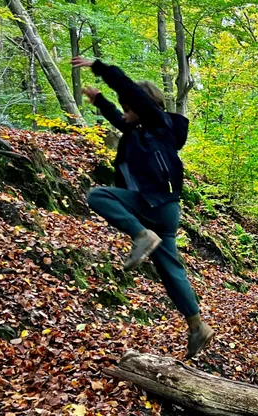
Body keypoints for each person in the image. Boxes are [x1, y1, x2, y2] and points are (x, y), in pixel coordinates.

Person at [71, 56, 215, 359]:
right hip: (165, 209)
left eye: (129, 107)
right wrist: (99, 100)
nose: (125, 112)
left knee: (97, 195)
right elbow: (118, 118)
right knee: (170, 270)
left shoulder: (157, 122)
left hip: (153, 204)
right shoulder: (140, 130)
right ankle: (197, 326)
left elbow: (130, 93)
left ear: (143, 104)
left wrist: (100, 67)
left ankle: (141, 236)